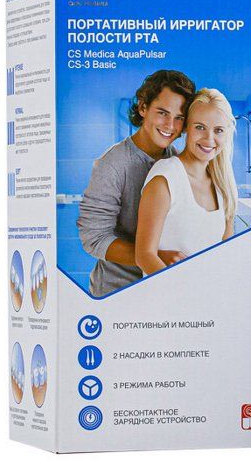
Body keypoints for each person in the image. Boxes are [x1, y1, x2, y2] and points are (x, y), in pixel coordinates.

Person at [77, 70, 195, 297]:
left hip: (157, 285)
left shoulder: (175, 161)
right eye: (162, 113)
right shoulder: (112, 164)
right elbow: (95, 239)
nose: (170, 125)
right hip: (117, 291)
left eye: (179, 118)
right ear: (143, 108)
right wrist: (152, 256)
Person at [135, 88, 238, 275]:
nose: (209, 139)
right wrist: (183, 290)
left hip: (210, 290)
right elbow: (144, 256)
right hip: (170, 292)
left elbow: (227, 254)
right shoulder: (165, 178)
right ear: (186, 128)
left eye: (218, 130)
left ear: (227, 134)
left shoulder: (223, 187)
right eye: (200, 127)